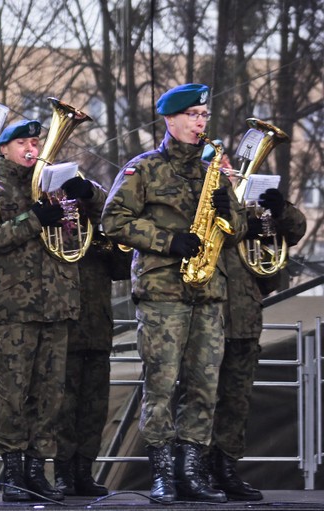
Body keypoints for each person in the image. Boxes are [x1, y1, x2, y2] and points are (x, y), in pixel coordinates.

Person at [101, 83, 246, 504]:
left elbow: (237, 233)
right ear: (171, 119)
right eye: (193, 115)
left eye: (204, 115)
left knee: (204, 384)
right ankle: (163, 473)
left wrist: (228, 205)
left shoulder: (213, 170)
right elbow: (113, 220)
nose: (200, 123)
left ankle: (191, 471)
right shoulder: (143, 168)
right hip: (163, 289)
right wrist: (168, 240)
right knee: (161, 384)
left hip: (208, 290)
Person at [0, 119, 106, 502]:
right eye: (22, 144)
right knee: (15, 393)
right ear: (3, 149)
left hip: (59, 304)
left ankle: (38, 469)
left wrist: (87, 195)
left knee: (51, 396)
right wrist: (33, 220)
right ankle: (14, 469)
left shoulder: (55, 184)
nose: (31, 149)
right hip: (15, 307)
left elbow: (110, 213)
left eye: (35, 142)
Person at [202, 144, 307, 501]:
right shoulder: (203, 202)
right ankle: (196, 469)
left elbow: (294, 232)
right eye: (220, 167)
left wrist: (280, 209)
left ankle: (226, 468)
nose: (228, 171)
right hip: (207, 312)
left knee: (237, 398)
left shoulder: (252, 203)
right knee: (201, 396)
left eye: (230, 166)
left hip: (245, 314)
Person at [53, 220, 131, 497]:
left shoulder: (99, 233)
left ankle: (84, 472)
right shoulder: (56, 232)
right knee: (64, 408)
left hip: (98, 330)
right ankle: (63, 473)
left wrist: (111, 237)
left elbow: (122, 269)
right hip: (65, 329)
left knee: (94, 409)